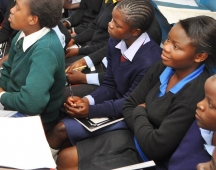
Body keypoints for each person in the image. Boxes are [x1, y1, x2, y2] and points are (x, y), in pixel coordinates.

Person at [57, 16, 216, 170]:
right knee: (65, 157)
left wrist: (140, 111)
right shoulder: (163, 66)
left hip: (147, 155)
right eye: (168, 40)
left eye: (176, 47)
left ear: (200, 56)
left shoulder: (194, 93)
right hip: (134, 133)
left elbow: (155, 147)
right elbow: (129, 104)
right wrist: (141, 114)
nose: (166, 47)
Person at [47, 0, 162, 151]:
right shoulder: (115, 41)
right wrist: (88, 101)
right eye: (112, 19)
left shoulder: (149, 62)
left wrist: (91, 110)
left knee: (60, 130)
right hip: (115, 102)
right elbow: (110, 84)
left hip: (129, 114)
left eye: (117, 24)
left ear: (135, 31)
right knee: (64, 110)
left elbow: (129, 102)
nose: (110, 25)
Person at [0, 0, 66, 132]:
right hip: (14, 102)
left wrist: (1, 96)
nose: (12, 10)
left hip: (34, 118)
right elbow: (8, 67)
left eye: (18, 8)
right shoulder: (23, 33)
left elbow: (33, 104)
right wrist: (2, 91)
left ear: (33, 19)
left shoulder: (45, 51)